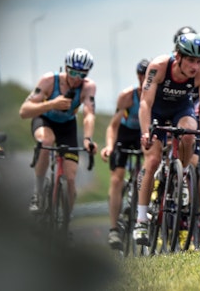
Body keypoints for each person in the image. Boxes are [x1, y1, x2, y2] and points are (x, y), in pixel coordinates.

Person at [133, 32, 200, 245]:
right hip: (156, 111)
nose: (195, 66)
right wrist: (146, 132)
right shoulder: (159, 66)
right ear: (178, 56)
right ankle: (141, 220)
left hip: (181, 109)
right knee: (152, 161)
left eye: (199, 61)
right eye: (190, 60)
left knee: (189, 133)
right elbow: (145, 103)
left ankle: (183, 174)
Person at [19, 48, 97, 215]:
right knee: (46, 142)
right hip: (44, 120)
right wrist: (51, 104)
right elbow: (24, 111)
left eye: (82, 74)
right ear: (66, 68)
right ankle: (37, 194)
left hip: (67, 126)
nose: (76, 78)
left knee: (71, 177)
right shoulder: (49, 80)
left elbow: (89, 114)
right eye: (73, 72)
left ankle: (66, 219)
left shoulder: (88, 87)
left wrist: (87, 139)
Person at [100, 58, 148, 249]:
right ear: (138, 76)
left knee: (148, 169)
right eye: (143, 75)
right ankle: (113, 229)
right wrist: (109, 146)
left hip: (142, 134)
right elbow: (113, 125)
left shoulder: (156, 95)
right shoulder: (127, 97)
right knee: (117, 178)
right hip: (125, 133)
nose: (146, 79)